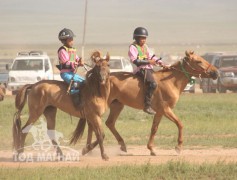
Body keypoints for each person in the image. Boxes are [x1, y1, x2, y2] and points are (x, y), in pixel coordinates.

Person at [128, 27, 169, 115]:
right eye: (142, 38)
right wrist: (149, 62)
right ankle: (147, 106)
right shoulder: (133, 47)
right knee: (153, 84)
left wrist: (160, 62)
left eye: (145, 38)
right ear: (136, 38)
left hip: (149, 68)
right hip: (141, 69)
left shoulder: (145, 47)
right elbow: (135, 61)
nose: (143, 40)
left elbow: (151, 56)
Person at [57, 28, 85, 95]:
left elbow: (76, 59)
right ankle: (73, 95)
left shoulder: (72, 50)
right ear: (64, 40)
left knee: (84, 82)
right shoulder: (62, 51)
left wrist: (80, 61)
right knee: (76, 83)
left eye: (72, 39)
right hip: (65, 74)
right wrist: (76, 63)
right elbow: (66, 63)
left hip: (72, 73)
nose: (72, 41)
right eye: (70, 39)